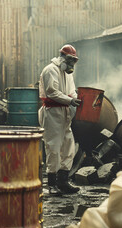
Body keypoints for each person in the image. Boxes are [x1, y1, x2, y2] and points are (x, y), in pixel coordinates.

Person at [38, 44, 82, 194]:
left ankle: (63, 182)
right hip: (52, 113)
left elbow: (71, 92)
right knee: (53, 147)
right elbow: (51, 92)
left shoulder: (67, 74)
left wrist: (76, 100)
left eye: (74, 61)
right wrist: (70, 101)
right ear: (62, 57)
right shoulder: (50, 70)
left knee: (68, 146)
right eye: (70, 60)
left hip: (65, 113)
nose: (71, 64)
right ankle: (52, 184)